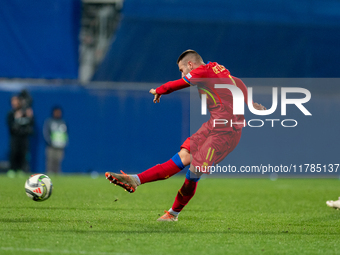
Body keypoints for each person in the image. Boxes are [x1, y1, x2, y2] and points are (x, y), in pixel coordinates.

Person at [105, 50, 265, 221]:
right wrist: (251, 103)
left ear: (190, 64)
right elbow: (238, 83)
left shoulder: (201, 72)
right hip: (213, 126)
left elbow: (177, 84)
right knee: (182, 157)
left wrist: (159, 90)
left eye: (182, 70)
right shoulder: (217, 68)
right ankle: (135, 180)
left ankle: (173, 214)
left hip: (226, 133)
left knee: (194, 171)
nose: (182, 73)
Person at [7, 95, 34, 177]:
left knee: (23, 154)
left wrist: (30, 116)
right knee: (14, 152)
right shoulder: (11, 113)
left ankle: (22, 170)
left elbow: (31, 125)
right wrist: (16, 117)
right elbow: (11, 126)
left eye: (16, 101)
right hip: (15, 137)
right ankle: (12, 170)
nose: (14, 103)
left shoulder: (26, 113)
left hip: (24, 137)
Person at [43, 106, 68, 174]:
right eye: (56, 112)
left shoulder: (63, 122)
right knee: (50, 161)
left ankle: (58, 175)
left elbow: (65, 133)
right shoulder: (49, 122)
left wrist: (64, 142)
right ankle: (49, 175)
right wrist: (49, 142)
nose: (58, 114)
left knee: (58, 162)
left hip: (60, 146)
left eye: (59, 112)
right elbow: (46, 133)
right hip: (51, 146)